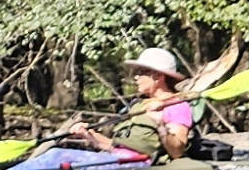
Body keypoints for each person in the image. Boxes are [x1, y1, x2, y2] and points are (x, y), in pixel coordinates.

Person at [55, 47, 197, 161]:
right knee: (55, 155)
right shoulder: (138, 104)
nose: (136, 77)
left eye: (142, 72)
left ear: (158, 76)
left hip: (138, 165)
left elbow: (177, 151)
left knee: (54, 159)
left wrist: (161, 125)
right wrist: (88, 134)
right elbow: (113, 147)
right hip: (117, 159)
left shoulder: (176, 106)